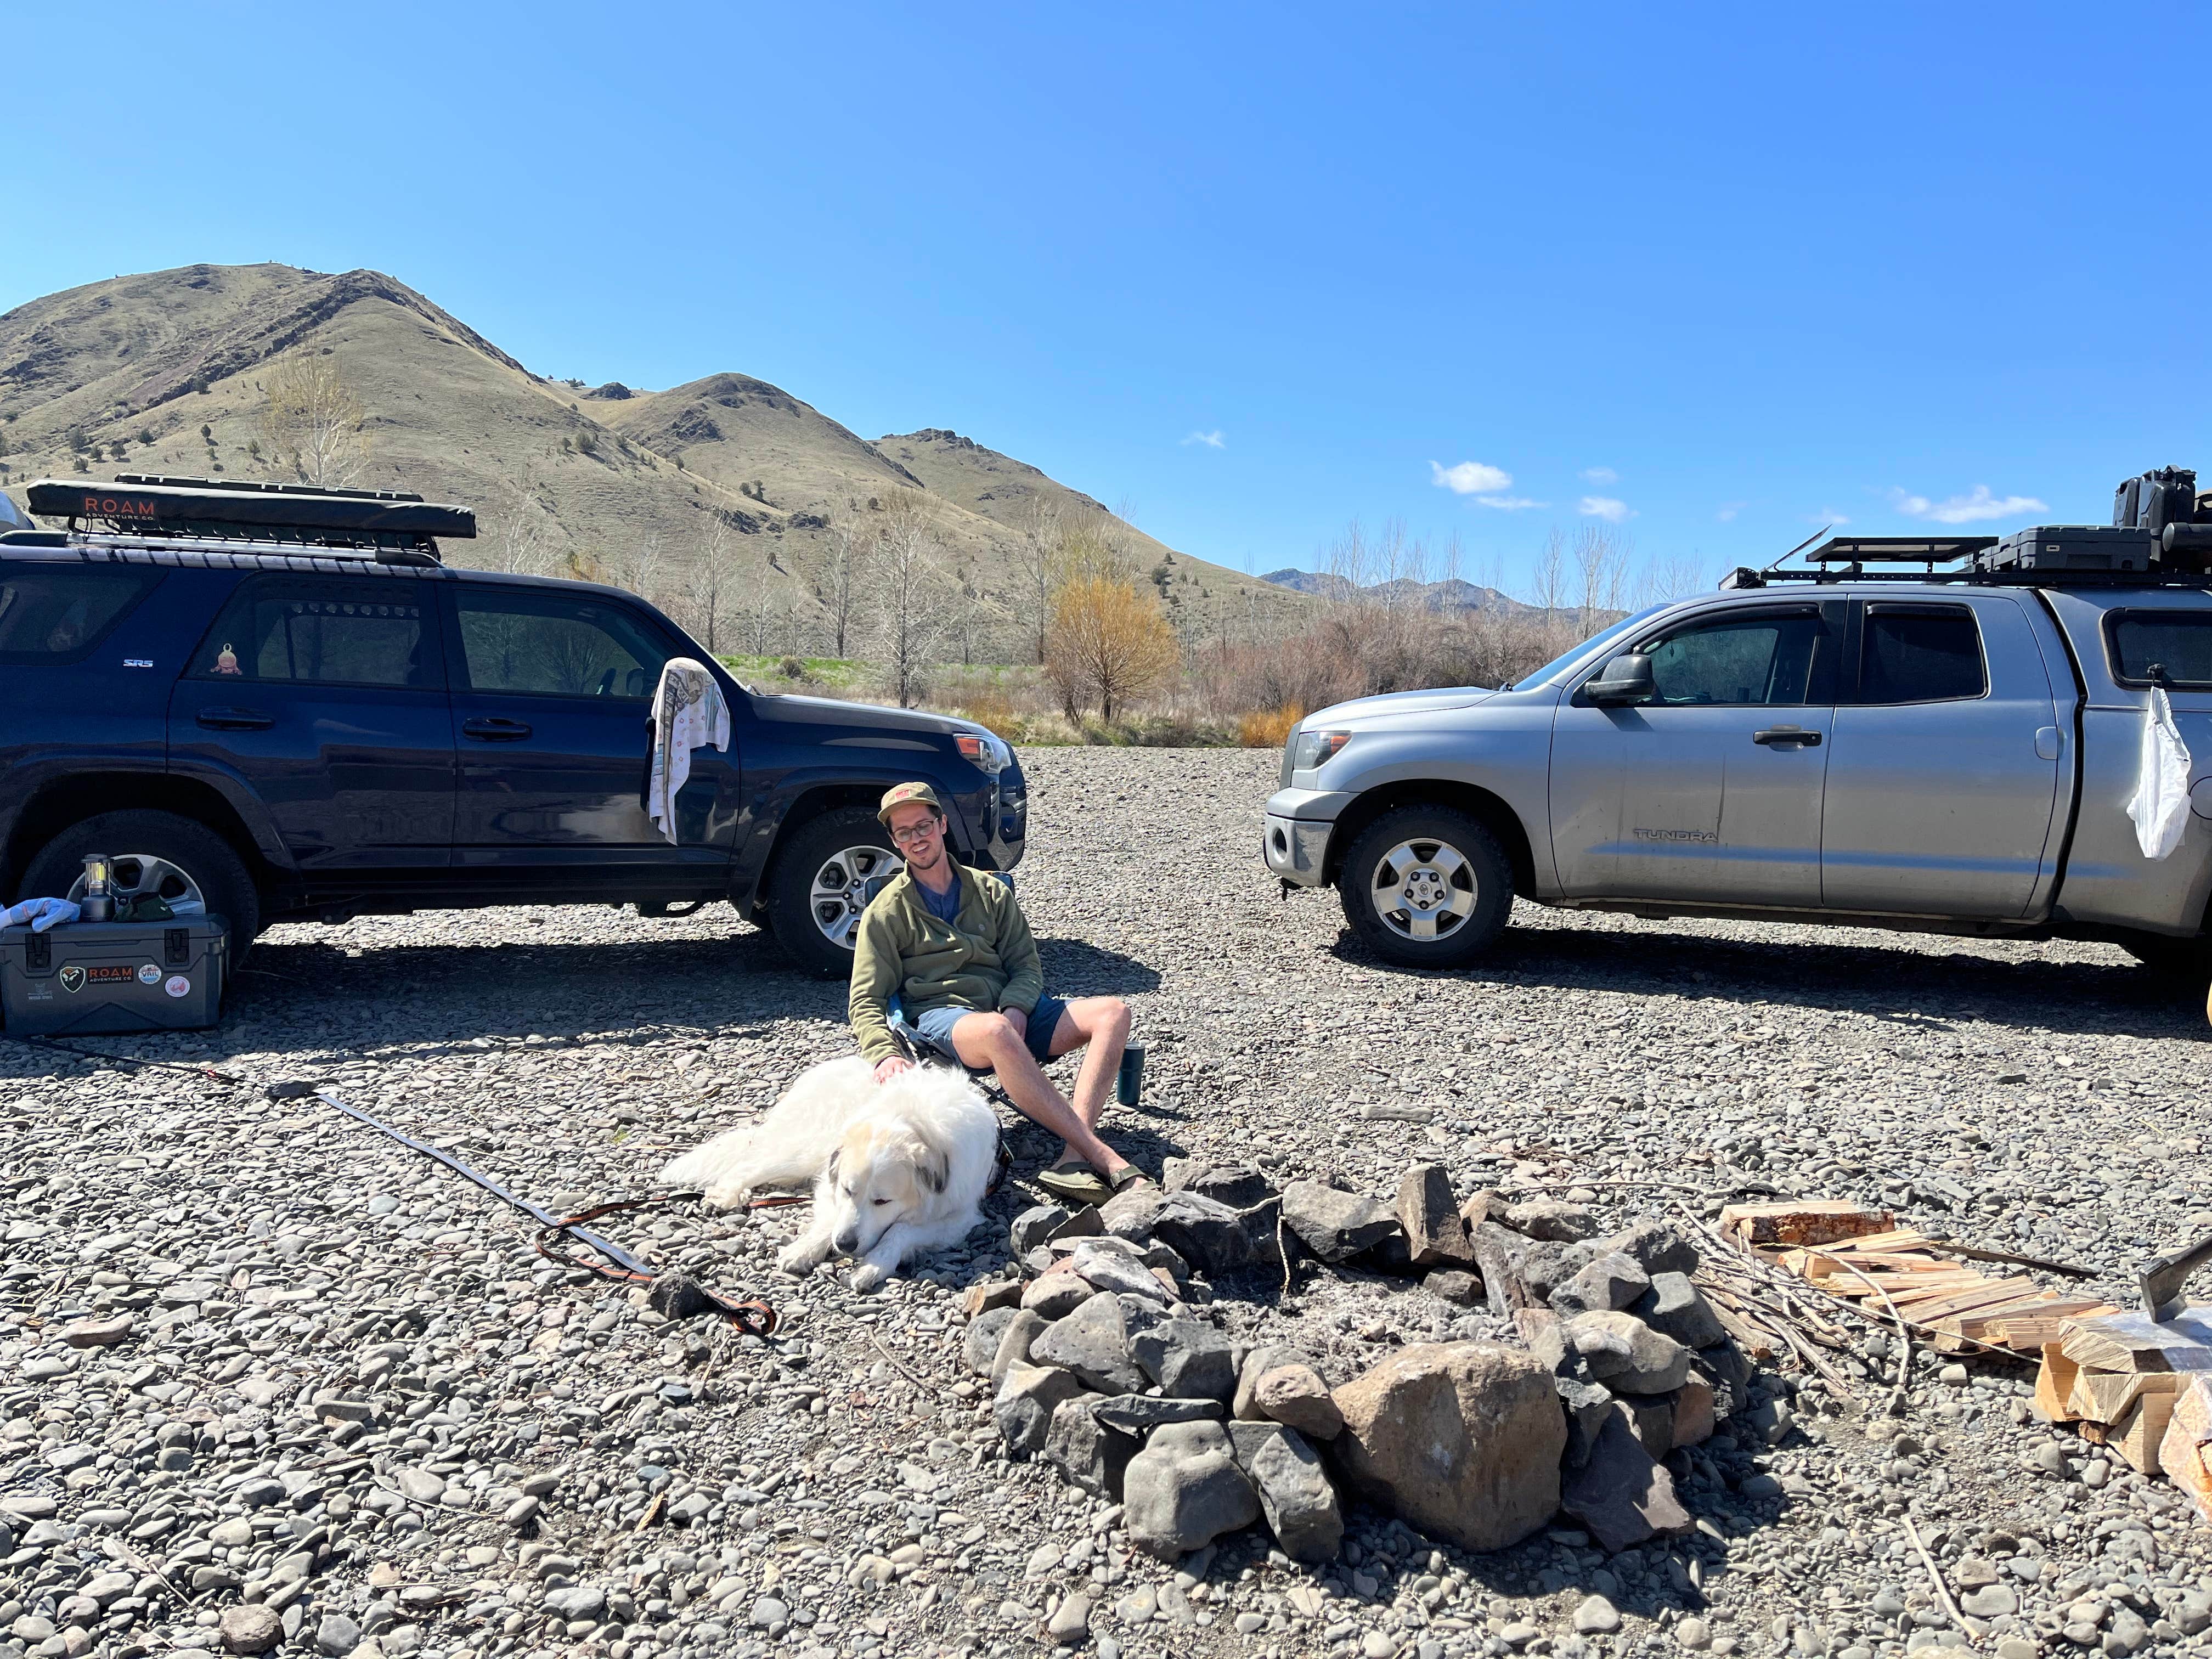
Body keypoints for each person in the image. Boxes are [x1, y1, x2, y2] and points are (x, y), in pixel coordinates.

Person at [848, 781, 1147, 1207]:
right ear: (894, 841)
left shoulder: (990, 892)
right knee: (996, 1031)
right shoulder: (887, 912)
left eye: (924, 826)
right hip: (947, 1018)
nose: (917, 839)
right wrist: (885, 1052)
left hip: (1010, 1011)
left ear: (943, 825)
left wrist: (1017, 1007)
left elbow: (1026, 965)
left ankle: (1072, 1156)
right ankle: (1101, 1154)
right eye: (904, 832)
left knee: (1113, 1012)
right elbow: (866, 999)